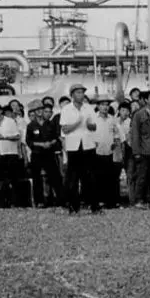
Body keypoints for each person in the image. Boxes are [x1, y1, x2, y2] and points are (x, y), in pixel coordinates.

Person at [60, 84, 99, 215]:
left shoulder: (89, 108)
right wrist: (77, 122)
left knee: (90, 177)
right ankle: (74, 207)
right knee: (73, 178)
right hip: (73, 146)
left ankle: (94, 206)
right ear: (72, 95)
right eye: (78, 92)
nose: (81, 95)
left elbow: (94, 127)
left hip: (88, 145)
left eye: (82, 92)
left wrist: (89, 125)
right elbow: (65, 129)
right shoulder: (66, 109)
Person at [26, 100, 63, 207]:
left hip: (49, 154)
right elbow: (29, 141)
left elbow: (56, 137)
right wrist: (41, 144)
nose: (39, 111)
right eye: (36, 110)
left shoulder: (50, 123)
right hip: (36, 154)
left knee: (55, 176)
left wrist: (50, 143)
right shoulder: (31, 125)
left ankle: (60, 199)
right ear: (33, 112)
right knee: (37, 178)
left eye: (41, 109)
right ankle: (39, 201)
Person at [130, 90, 150, 209]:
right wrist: (136, 151)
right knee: (141, 177)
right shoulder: (139, 114)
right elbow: (135, 134)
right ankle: (138, 200)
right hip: (143, 150)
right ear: (146, 100)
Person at [91, 98, 121, 209]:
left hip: (109, 152)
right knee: (98, 177)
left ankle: (110, 201)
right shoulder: (93, 118)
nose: (105, 107)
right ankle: (99, 201)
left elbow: (116, 134)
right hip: (96, 152)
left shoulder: (112, 119)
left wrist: (115, 144)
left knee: (110, 177)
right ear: (98, 106)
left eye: (107, 105)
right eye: (102, 105)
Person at [0, 103, 23, 208]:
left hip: (11, 153)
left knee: (13, 178)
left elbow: (17, 136)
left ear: (1, 111)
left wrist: (4, 137)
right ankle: (4, 202)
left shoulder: (10, 121)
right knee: (2, 178)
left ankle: (17, 202)